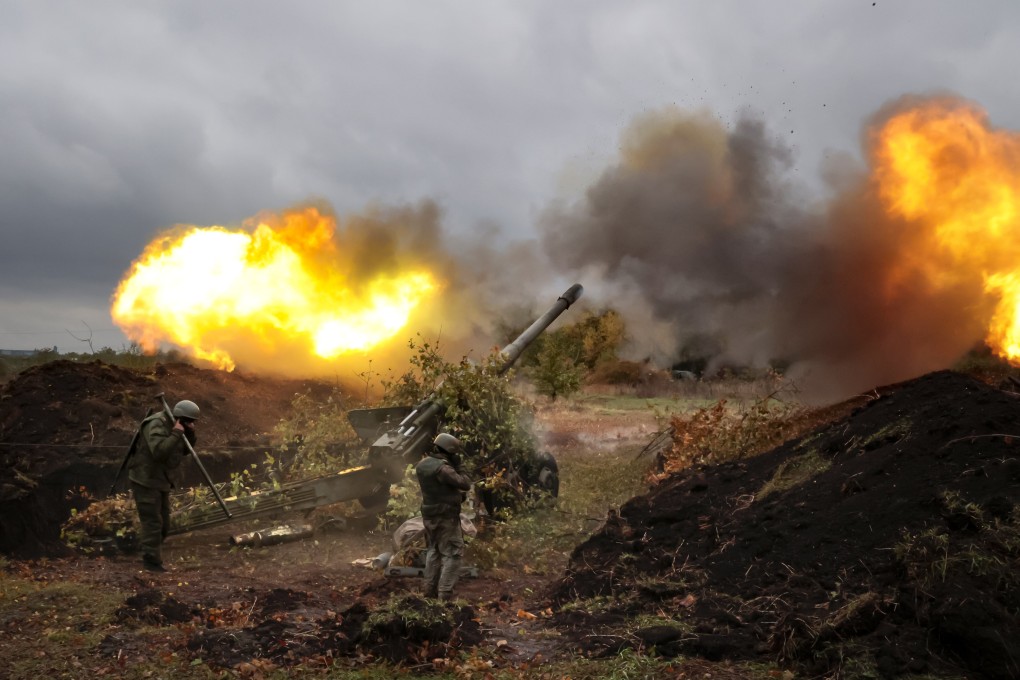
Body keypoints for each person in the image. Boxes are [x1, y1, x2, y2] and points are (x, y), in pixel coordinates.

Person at [127, 399, 199, 572]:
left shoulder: (177, 425)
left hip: (161, 479)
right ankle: (151, 563)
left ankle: (149, 550)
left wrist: (188, 434)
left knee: (165, 524)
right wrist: (176, 433)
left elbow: (184, 450)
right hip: (145, 479)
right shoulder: (157, 424)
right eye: (188, 421)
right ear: (179, 417)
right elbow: (159, 451)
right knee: (152, 522)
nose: (191, 423)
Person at [415, 432, 472, 601]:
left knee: (434, 551)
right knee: (453, 553)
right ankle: (445, 596)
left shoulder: (422, 465)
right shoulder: (443, 468)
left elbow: (439, 489)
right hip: (445, 517)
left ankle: (429, 593)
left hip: (430, 515)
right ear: (449, 451)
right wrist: (460, 466)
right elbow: (465, 483)